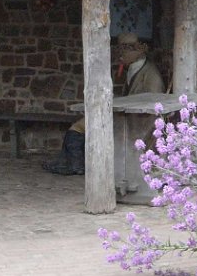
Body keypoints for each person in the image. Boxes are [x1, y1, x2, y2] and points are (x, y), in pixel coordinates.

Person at [42, 33, 165, 176]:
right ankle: (72, 162)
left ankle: (76, 165)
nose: (121, 54)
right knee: (79, 126)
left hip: (133, 121)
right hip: (124, 115)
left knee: (77, 128)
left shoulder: (150, 75)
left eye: (125, 50)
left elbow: (152, 103)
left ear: (137, 51)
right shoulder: (135, 69)